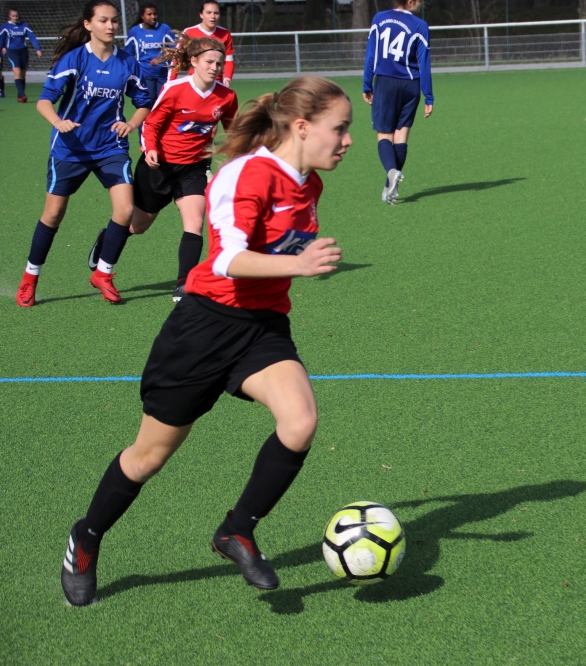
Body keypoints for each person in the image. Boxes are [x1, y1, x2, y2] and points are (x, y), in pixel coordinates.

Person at [60, 75, 352, 607]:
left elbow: (277, 254)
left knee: (300, 421)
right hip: (203, 328)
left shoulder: (309, 185)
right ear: (303, 127)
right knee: (147, 458)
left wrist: (295, 262)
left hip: (262, 326)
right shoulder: (247, 174)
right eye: (341, 128)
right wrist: (299, 264)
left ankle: (237, 530)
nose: (348, 140)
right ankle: (87, 536)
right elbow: (226, 260)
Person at [16, 0, 151, 308]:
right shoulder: (74, 59)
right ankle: (30, 277)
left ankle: (103, 273)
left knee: (125, 210)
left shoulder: (127, 62)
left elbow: (144, 101)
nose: (111, 26)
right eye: (103, 20)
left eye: (114, 20)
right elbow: (44, 101)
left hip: (110, 147)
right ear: (88, 25)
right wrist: (58, 122)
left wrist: (131, 123)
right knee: (53, 215)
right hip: (70, 148)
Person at [88, 35, 237, 302]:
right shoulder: (175, 89)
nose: (215, 67)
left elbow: (233, 130)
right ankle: (107, 239)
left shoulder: (226, 96)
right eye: (209, 62)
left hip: (193, 169)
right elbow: (152, 123)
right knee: (138, 226)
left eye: (218, 63)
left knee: (195, 223)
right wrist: (150, 149)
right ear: (194, 61)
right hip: (159, 167)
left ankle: (184, 284)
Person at [362, 0, 433, 205]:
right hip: (411, 85)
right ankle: (389, 188)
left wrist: (367, 84)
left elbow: (371, 56)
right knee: (401, 137)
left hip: (385, 83)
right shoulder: (420, 25)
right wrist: (428, 95)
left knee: (384, 135)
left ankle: (391, 173)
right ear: (410, 1)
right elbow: (424, 64)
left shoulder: (379, 18)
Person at [169, 1, 233, 86]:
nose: (213, 16)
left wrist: (227, 78)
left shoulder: (225, 34)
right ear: (201, 14)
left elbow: (228, 60)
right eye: (209, 13)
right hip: (194, 84)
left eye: (216, 13)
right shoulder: (189, 32)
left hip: (217, 83)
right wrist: (171, 81)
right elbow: (177, 59)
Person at [124, 2, 174, 102]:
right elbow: (128, 54)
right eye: (149, 14)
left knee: (163, 102)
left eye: (154, 14)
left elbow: (175, 50)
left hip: (163, 74)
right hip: (144, 74)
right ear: (142, 16)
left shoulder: (164, 29)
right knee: (148, 101)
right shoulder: (135, 31)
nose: (153, 17)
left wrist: (161, 59)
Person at [0, 8, 43, 102]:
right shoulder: (5, 26)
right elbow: (1, 40)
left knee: (23, 75)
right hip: (12, 52)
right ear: (9, 16)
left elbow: (32, 37)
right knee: (17, 72)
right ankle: (22, 95)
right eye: (13, 16)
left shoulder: (24, 25)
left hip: (23, 51)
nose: (15, 18)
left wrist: (38, 49)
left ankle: (20, 95)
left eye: (16, 16)